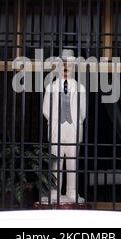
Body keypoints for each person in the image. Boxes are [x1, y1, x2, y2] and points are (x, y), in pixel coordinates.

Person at [42, 49, 86, 203]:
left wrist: (74, 122)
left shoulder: (80, 88)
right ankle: (54, 193)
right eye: (63, 65)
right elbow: (46, 110)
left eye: (69, 65)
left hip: (73, 131)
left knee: (73, 163)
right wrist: (55, 121)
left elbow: (83, 111)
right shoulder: (51, 87)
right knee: (55, 163)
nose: (66, 68)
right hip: (56, 130)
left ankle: (72, 192)